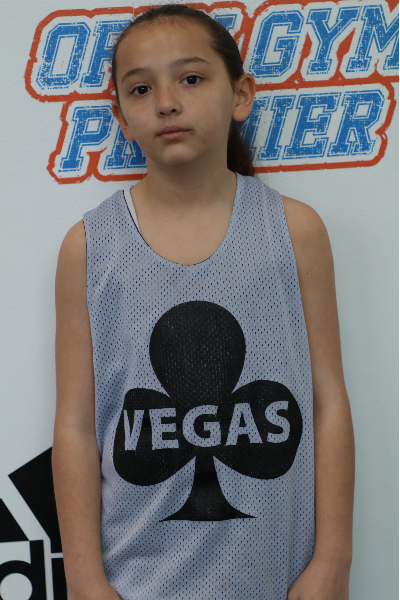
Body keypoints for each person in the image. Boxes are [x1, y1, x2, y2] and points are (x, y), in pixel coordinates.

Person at [53, 5, 355, 600]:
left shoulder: (294, 232)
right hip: (136, 580)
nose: (166, 102)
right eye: (141, 88)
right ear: (121, 116)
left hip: (279, 577)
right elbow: (77, 427)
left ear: (240, 94)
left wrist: (333, 560)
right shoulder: (88, 247)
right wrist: (84, 580)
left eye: (191, 78)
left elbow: (327, 403)